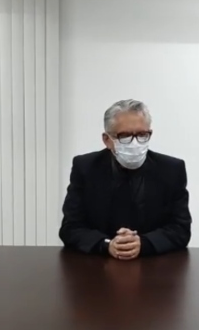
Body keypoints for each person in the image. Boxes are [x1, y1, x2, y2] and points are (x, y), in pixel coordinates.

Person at [59, 99, 191, 260]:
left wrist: (143, 243)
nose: (134, 143)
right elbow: (70, 228)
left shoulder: (171, 169)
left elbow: (181, 229)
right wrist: (107, 244)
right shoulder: (85, 168)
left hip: (154, 265)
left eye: (142, 135)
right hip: (97, 265)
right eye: (125, 136)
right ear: (107, 140)